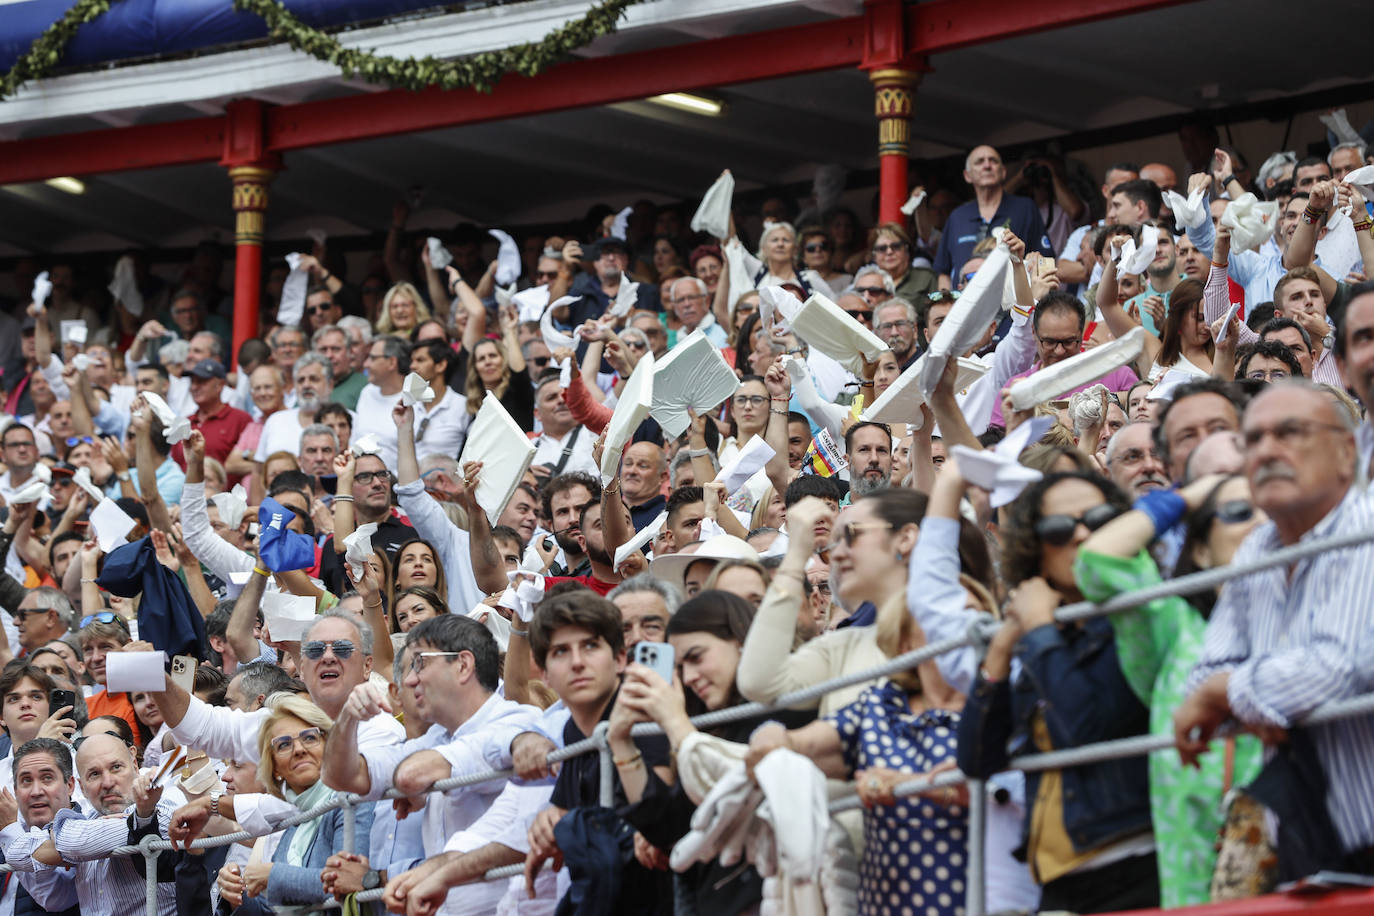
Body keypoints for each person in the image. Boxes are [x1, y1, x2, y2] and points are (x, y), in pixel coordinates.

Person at [1176, 381, 1374, 876]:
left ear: (1346, 452)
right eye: (1254, 439)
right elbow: (1200, 678)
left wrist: (1230, 691)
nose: (1267, 450)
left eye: (1290, 433)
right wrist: (1244, 693)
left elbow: (1337, 669)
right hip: (1310, 845)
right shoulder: (1256, 551)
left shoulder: (1367, 528)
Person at [958, 471, 1157, 913]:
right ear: (1034, 550)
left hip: (1136, 865)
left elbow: (1088, 727)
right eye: (1059, 529)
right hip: (1059, 881)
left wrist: (1041, 631)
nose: (1083, 534)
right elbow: (976, 758)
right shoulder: (1042, 638)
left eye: (1100, 518)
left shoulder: (1138, 618)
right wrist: (1002, 649)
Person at [1075, 474, 1266, 905]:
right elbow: (1099, 560)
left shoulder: (1322, 615)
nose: (1261, 522)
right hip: (1198, 892)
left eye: (1273, 511)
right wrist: (1186, 497)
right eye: (1239, 511)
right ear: (1200, 549)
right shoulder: (1175, 630)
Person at [747, 587, 969, 916]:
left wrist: (916, 786)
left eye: (977, 613)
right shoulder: (882, 704)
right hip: (885, 902)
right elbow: (805, 743)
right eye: (942, 612)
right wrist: (773, 736)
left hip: (976, 897)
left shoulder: (1002, 702)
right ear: (906, 643)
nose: (966, 623)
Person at [612, 591, 812, 914]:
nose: (688, 677)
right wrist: (621, 741)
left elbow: (741, 780)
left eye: (696, 657)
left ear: (740, 640)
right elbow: (668, 827)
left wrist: (676, 724)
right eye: (679, 667)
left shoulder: (791, 703)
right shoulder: (705, 724)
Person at [520, 590, 673, 914]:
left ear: (619, 658)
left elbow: (659, 816)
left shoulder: (645, 712)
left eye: (590, 646)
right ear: (544, 673)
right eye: (561, 651)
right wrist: (546, 828)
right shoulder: (571, 730)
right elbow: (562, 814)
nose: (577, 662)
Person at [216, 694, 373, 915]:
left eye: (310, 738)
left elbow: (348, 882)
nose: (298, 749)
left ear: (330, 746)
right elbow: (274, 911)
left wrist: (273, 875)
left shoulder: (349, 801)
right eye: (284, 744)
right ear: (275, 769)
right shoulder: (294, 820)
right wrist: (235, 891)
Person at [3, 732, 179, 916]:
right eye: (94, 774)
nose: (108, 782)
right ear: (82, 787)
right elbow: (20, 857)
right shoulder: (87, 820)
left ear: (135, 765)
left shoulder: (162, 809)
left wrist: (59, 835)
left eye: (116, 767)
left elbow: (72, 843)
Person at [934, 144, 1052, 290]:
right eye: (979, 162)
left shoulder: (1025, 208)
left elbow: (1045, 261)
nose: (987, 165)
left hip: (1015, 307)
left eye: (993, 161)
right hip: (964, 305)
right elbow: (943, 272)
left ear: (1003, 172)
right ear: (967, 175)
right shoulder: (957, 216)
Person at [0, 738, 82, 916]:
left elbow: (56, 898)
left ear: (70, 785)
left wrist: (8, 831)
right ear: (15, 790)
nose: (36, 791)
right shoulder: (9, 829)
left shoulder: (84, 829)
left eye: (47, 778)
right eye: (26, 781)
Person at [408, 338, 469, 461]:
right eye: (412, 361)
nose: (412, 366)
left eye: (420, 360)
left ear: (441, 365)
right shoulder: (406, 403)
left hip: (447, 477)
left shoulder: (463, 406)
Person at [352, 335, 408, 469]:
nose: (366, 364)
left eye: (372, 358)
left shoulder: (413, 398)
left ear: (392, 362)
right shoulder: (367, 392)